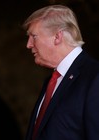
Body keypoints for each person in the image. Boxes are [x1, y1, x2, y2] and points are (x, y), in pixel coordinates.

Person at [23, 4, 99, 140]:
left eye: (33, 36)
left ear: (57, 37)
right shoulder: (51, 81)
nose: (28, 44)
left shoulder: (94, 77)